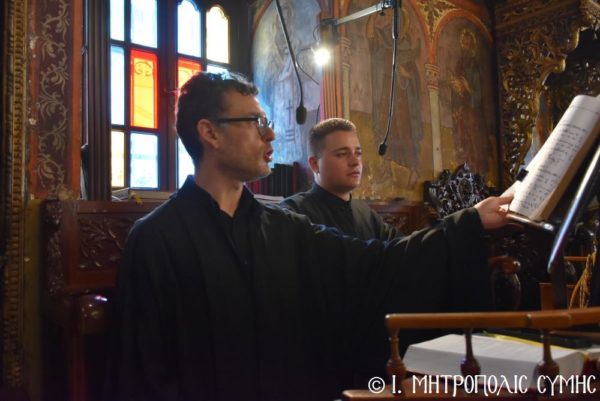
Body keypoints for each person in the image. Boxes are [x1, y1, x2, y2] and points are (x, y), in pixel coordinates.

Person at [106, 71, 512, 401]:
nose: (270, 136)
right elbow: (144, 377)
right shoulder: (156, 239)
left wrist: (468, 223)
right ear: (210, 134)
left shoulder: (284, 228)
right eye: (256, 123)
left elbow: (376, 265)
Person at [281, 118, 402, 240]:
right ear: (315, 164)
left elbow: (399, 246)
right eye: (342, 154)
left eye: (358, 154)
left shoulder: (367, 214)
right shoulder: (292, 213)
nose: (355, 162)